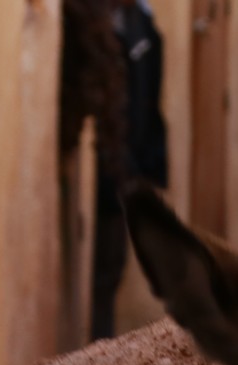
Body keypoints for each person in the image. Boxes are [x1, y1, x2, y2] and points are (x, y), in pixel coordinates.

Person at [90, 0, 168, 340]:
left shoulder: (140, 22)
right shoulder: (95, 20)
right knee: (103, 273)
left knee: (110, 269)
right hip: (104, 167)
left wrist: (148, 164)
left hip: (122, 168)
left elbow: (148, 100)